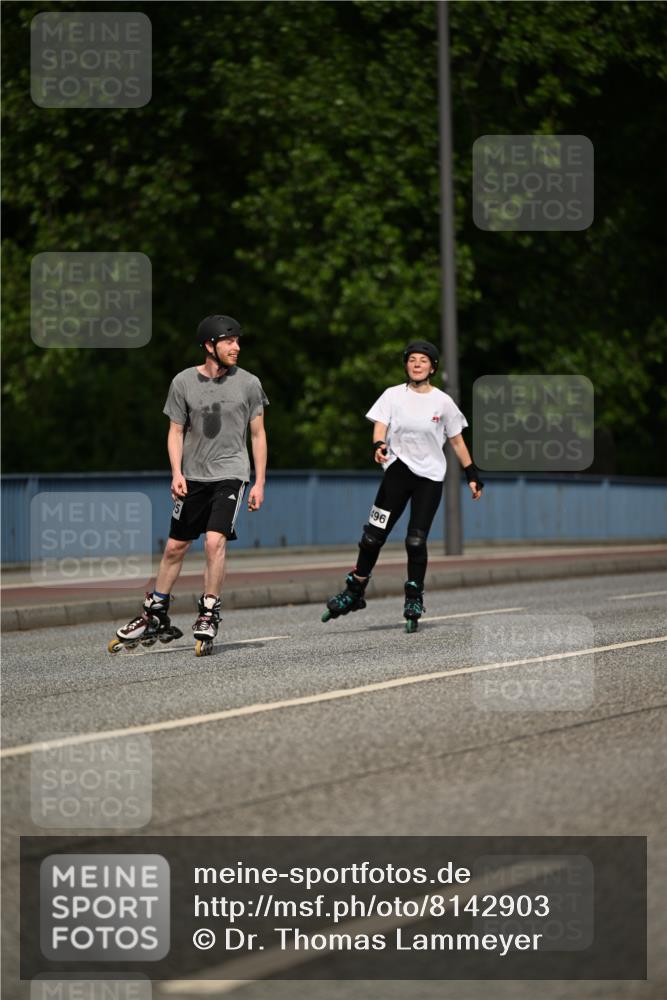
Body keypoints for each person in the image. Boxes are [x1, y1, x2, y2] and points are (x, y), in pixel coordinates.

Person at [111, 314, 268, 654]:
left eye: (238, 341)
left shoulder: (249, 383)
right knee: (174, 548)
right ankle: (155, 612)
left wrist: (259, 481)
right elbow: (175, 431)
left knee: (214, 541)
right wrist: (176, 473)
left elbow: (258, 434)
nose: (237, 347)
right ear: (210, 346)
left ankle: (209, 611)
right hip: (193, 476)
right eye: (229, 341)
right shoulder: (182, 382)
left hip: (231, 474)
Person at [322, 340, 483, 632]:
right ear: (406, 365)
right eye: (412, 360)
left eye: (423, 360)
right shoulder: (392, 395)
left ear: (432, 367)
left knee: (415, 541)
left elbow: (457, 441)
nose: (417, 364)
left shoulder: (443, 402)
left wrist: (471, 472)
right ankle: (355, 589)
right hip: (397, 472)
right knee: (372, 537)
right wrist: (378, 444)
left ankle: (414, 597)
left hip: (430, 478)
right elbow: (380, 425)